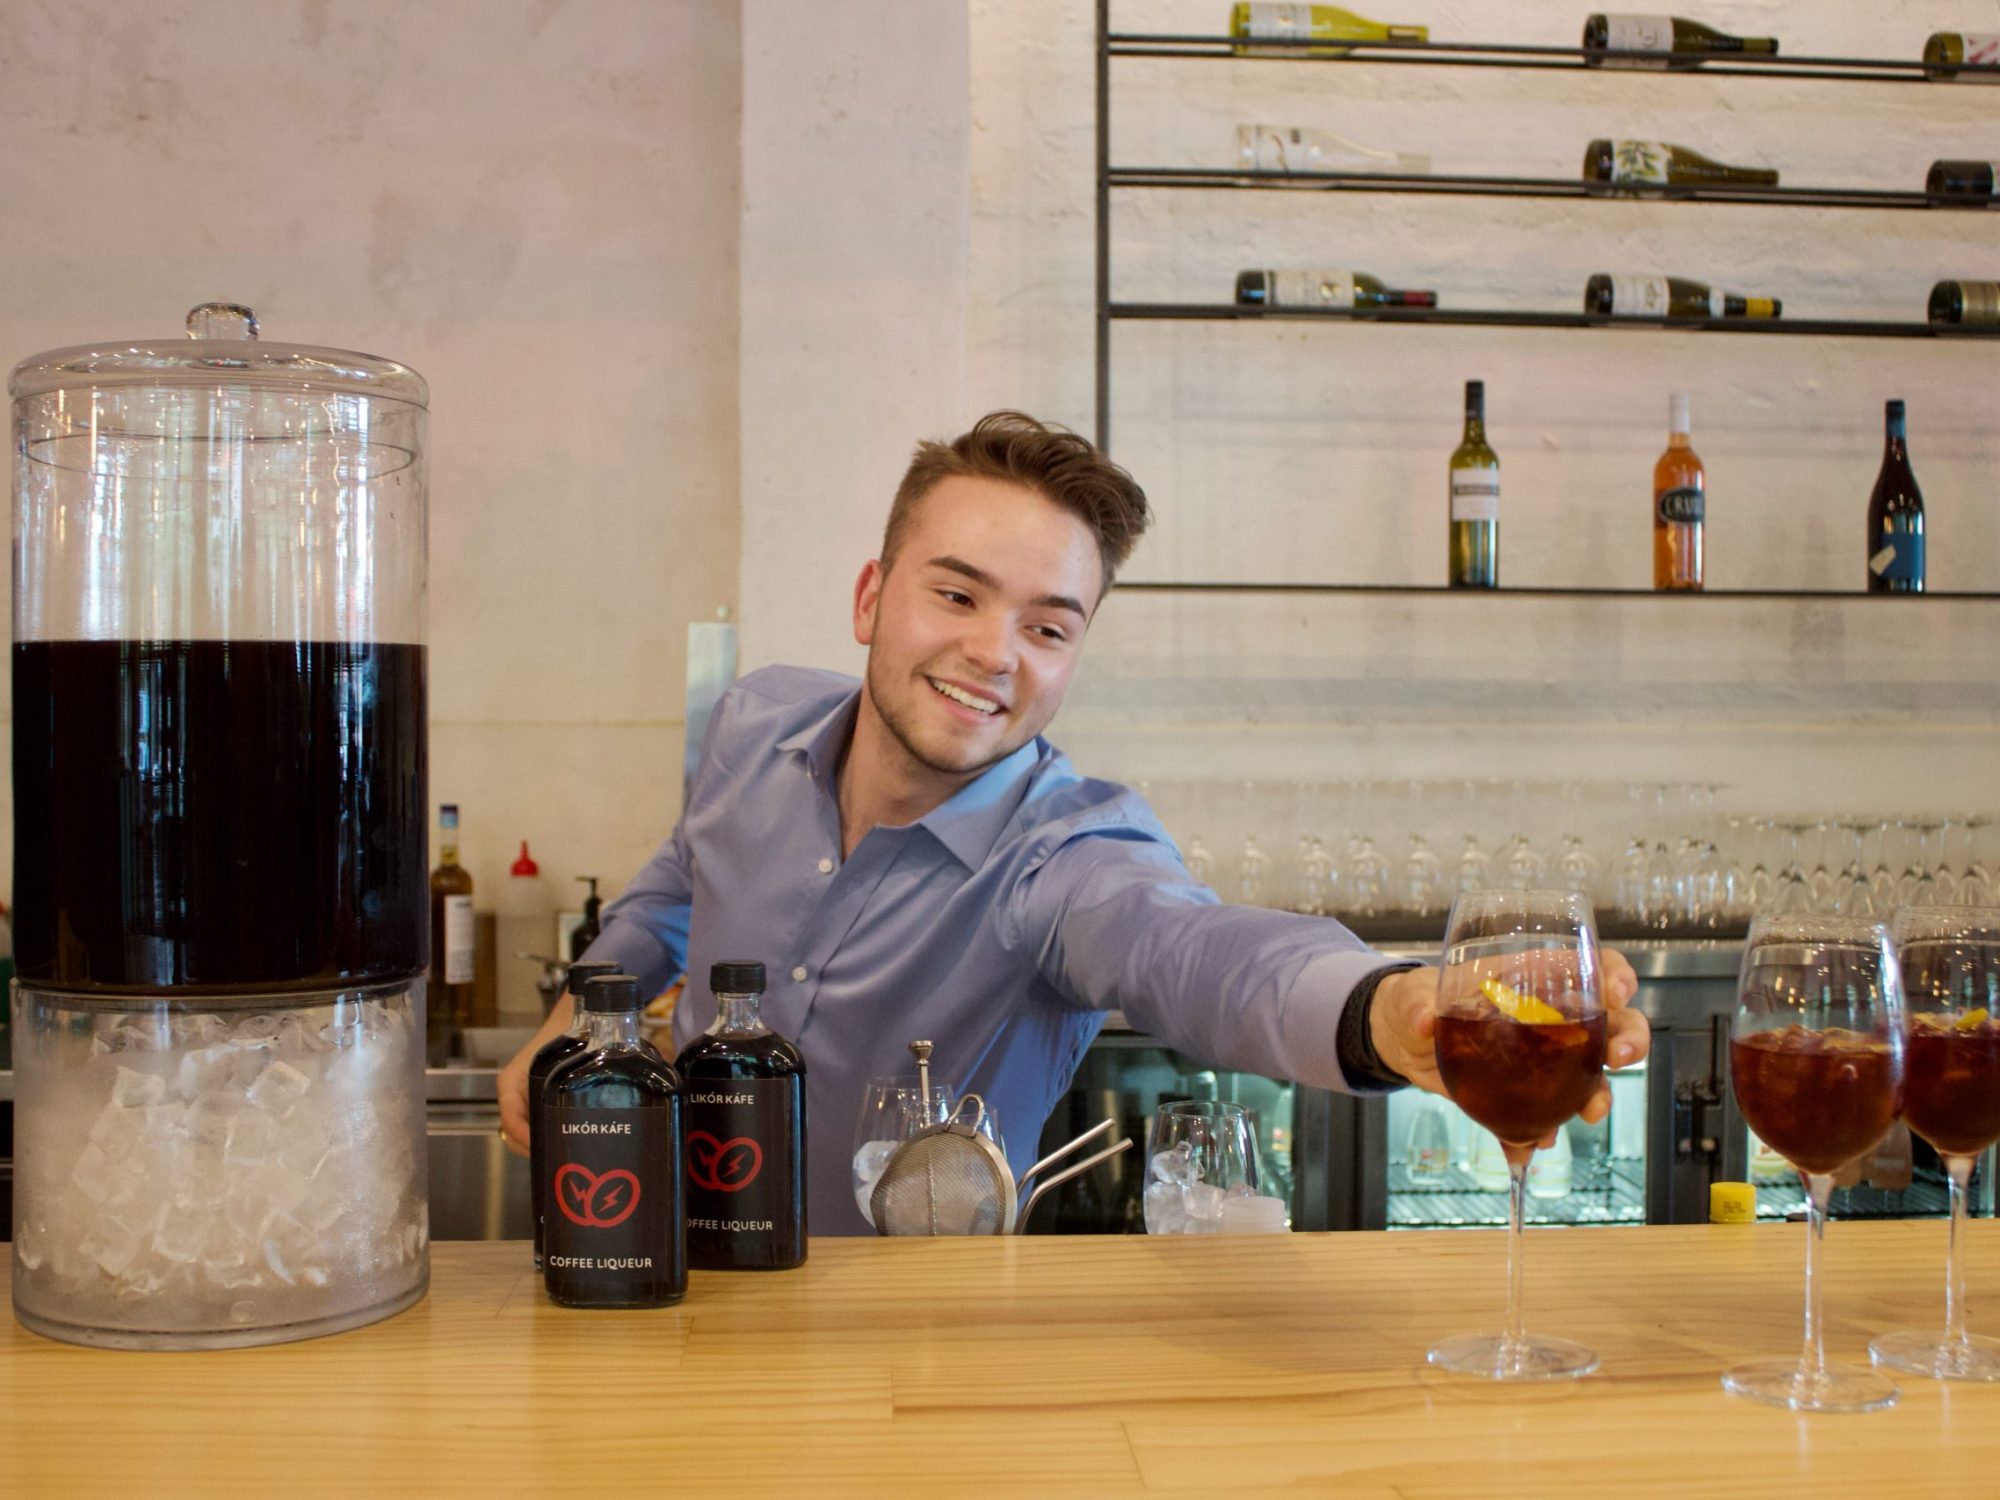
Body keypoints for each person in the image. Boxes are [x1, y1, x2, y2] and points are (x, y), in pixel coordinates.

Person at [499, 411, 1648, 1233]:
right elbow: (672, 888)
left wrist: (1383, 1007)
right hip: (673, 1283)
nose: (993, 653)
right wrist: (575, 1015)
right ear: (870, 596)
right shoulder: (753, 724)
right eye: (955, 594)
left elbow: (1193, 952)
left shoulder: (1062, 859)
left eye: (1048, 628)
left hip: (916, 1359)